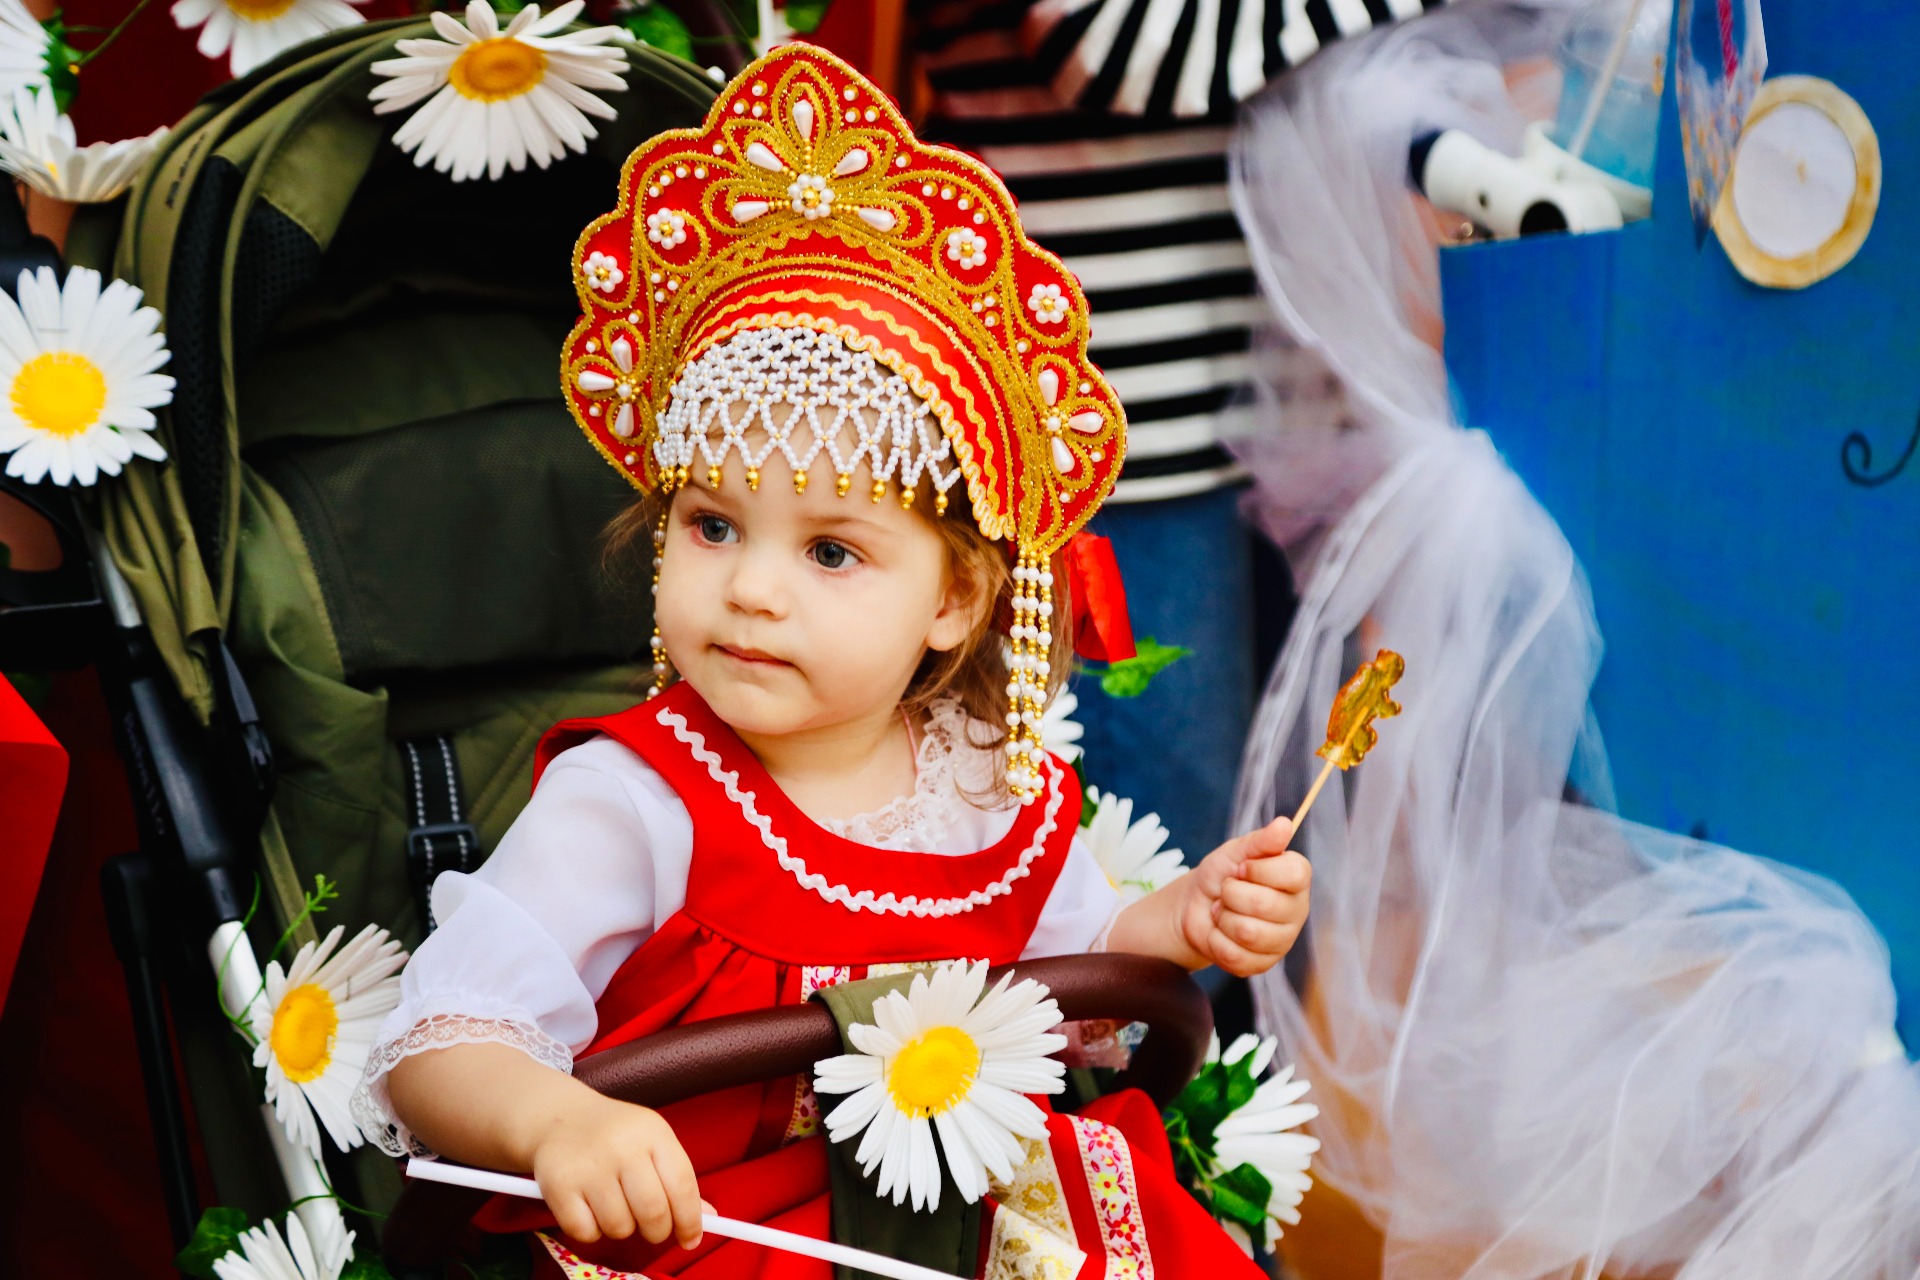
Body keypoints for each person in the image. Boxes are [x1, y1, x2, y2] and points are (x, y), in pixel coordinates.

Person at [352, 44, 1310, 1279]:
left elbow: (1076, 956)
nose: (752, 587)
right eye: (712, 525)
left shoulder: (982, 780)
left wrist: (1179, 920)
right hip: (722, 1233)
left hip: (974, 1213)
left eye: (831, 550)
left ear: (954, 600)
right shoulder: (632, 802)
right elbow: (443, 1038)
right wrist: (555, 1119)